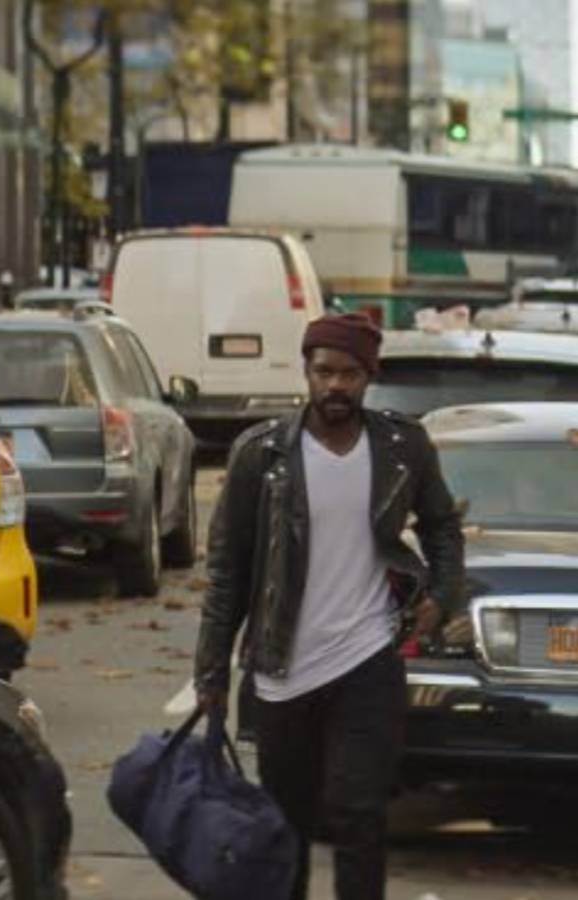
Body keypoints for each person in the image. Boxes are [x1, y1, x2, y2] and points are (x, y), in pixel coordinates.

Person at [193, 313, 465, 900]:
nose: (335, 386)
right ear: (307, 373)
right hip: (282, 670)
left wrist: (440, 598)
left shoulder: (402, 447)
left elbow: (444, 528)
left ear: (369, 375)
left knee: (358, 813)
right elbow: (228, 572)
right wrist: (211, 671)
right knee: (286, 824)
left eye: (348, 374)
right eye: (324, 373)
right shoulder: (260, 456)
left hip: (368, 660)